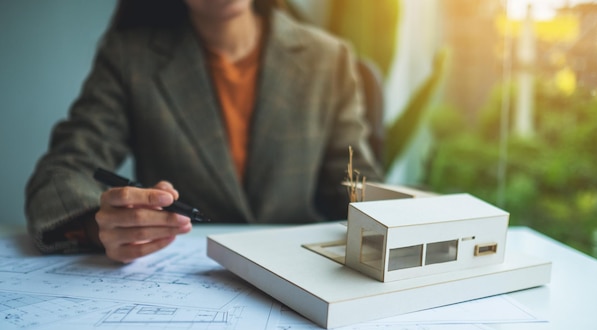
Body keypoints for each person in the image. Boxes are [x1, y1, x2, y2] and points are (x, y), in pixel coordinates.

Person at [25, 0, 382, 263]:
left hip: (304, 267)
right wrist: (96, 224)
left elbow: (355, 183)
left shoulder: (328, 58)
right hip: (183, 271)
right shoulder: (129, 58)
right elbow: (64, 170)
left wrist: (407, 221)